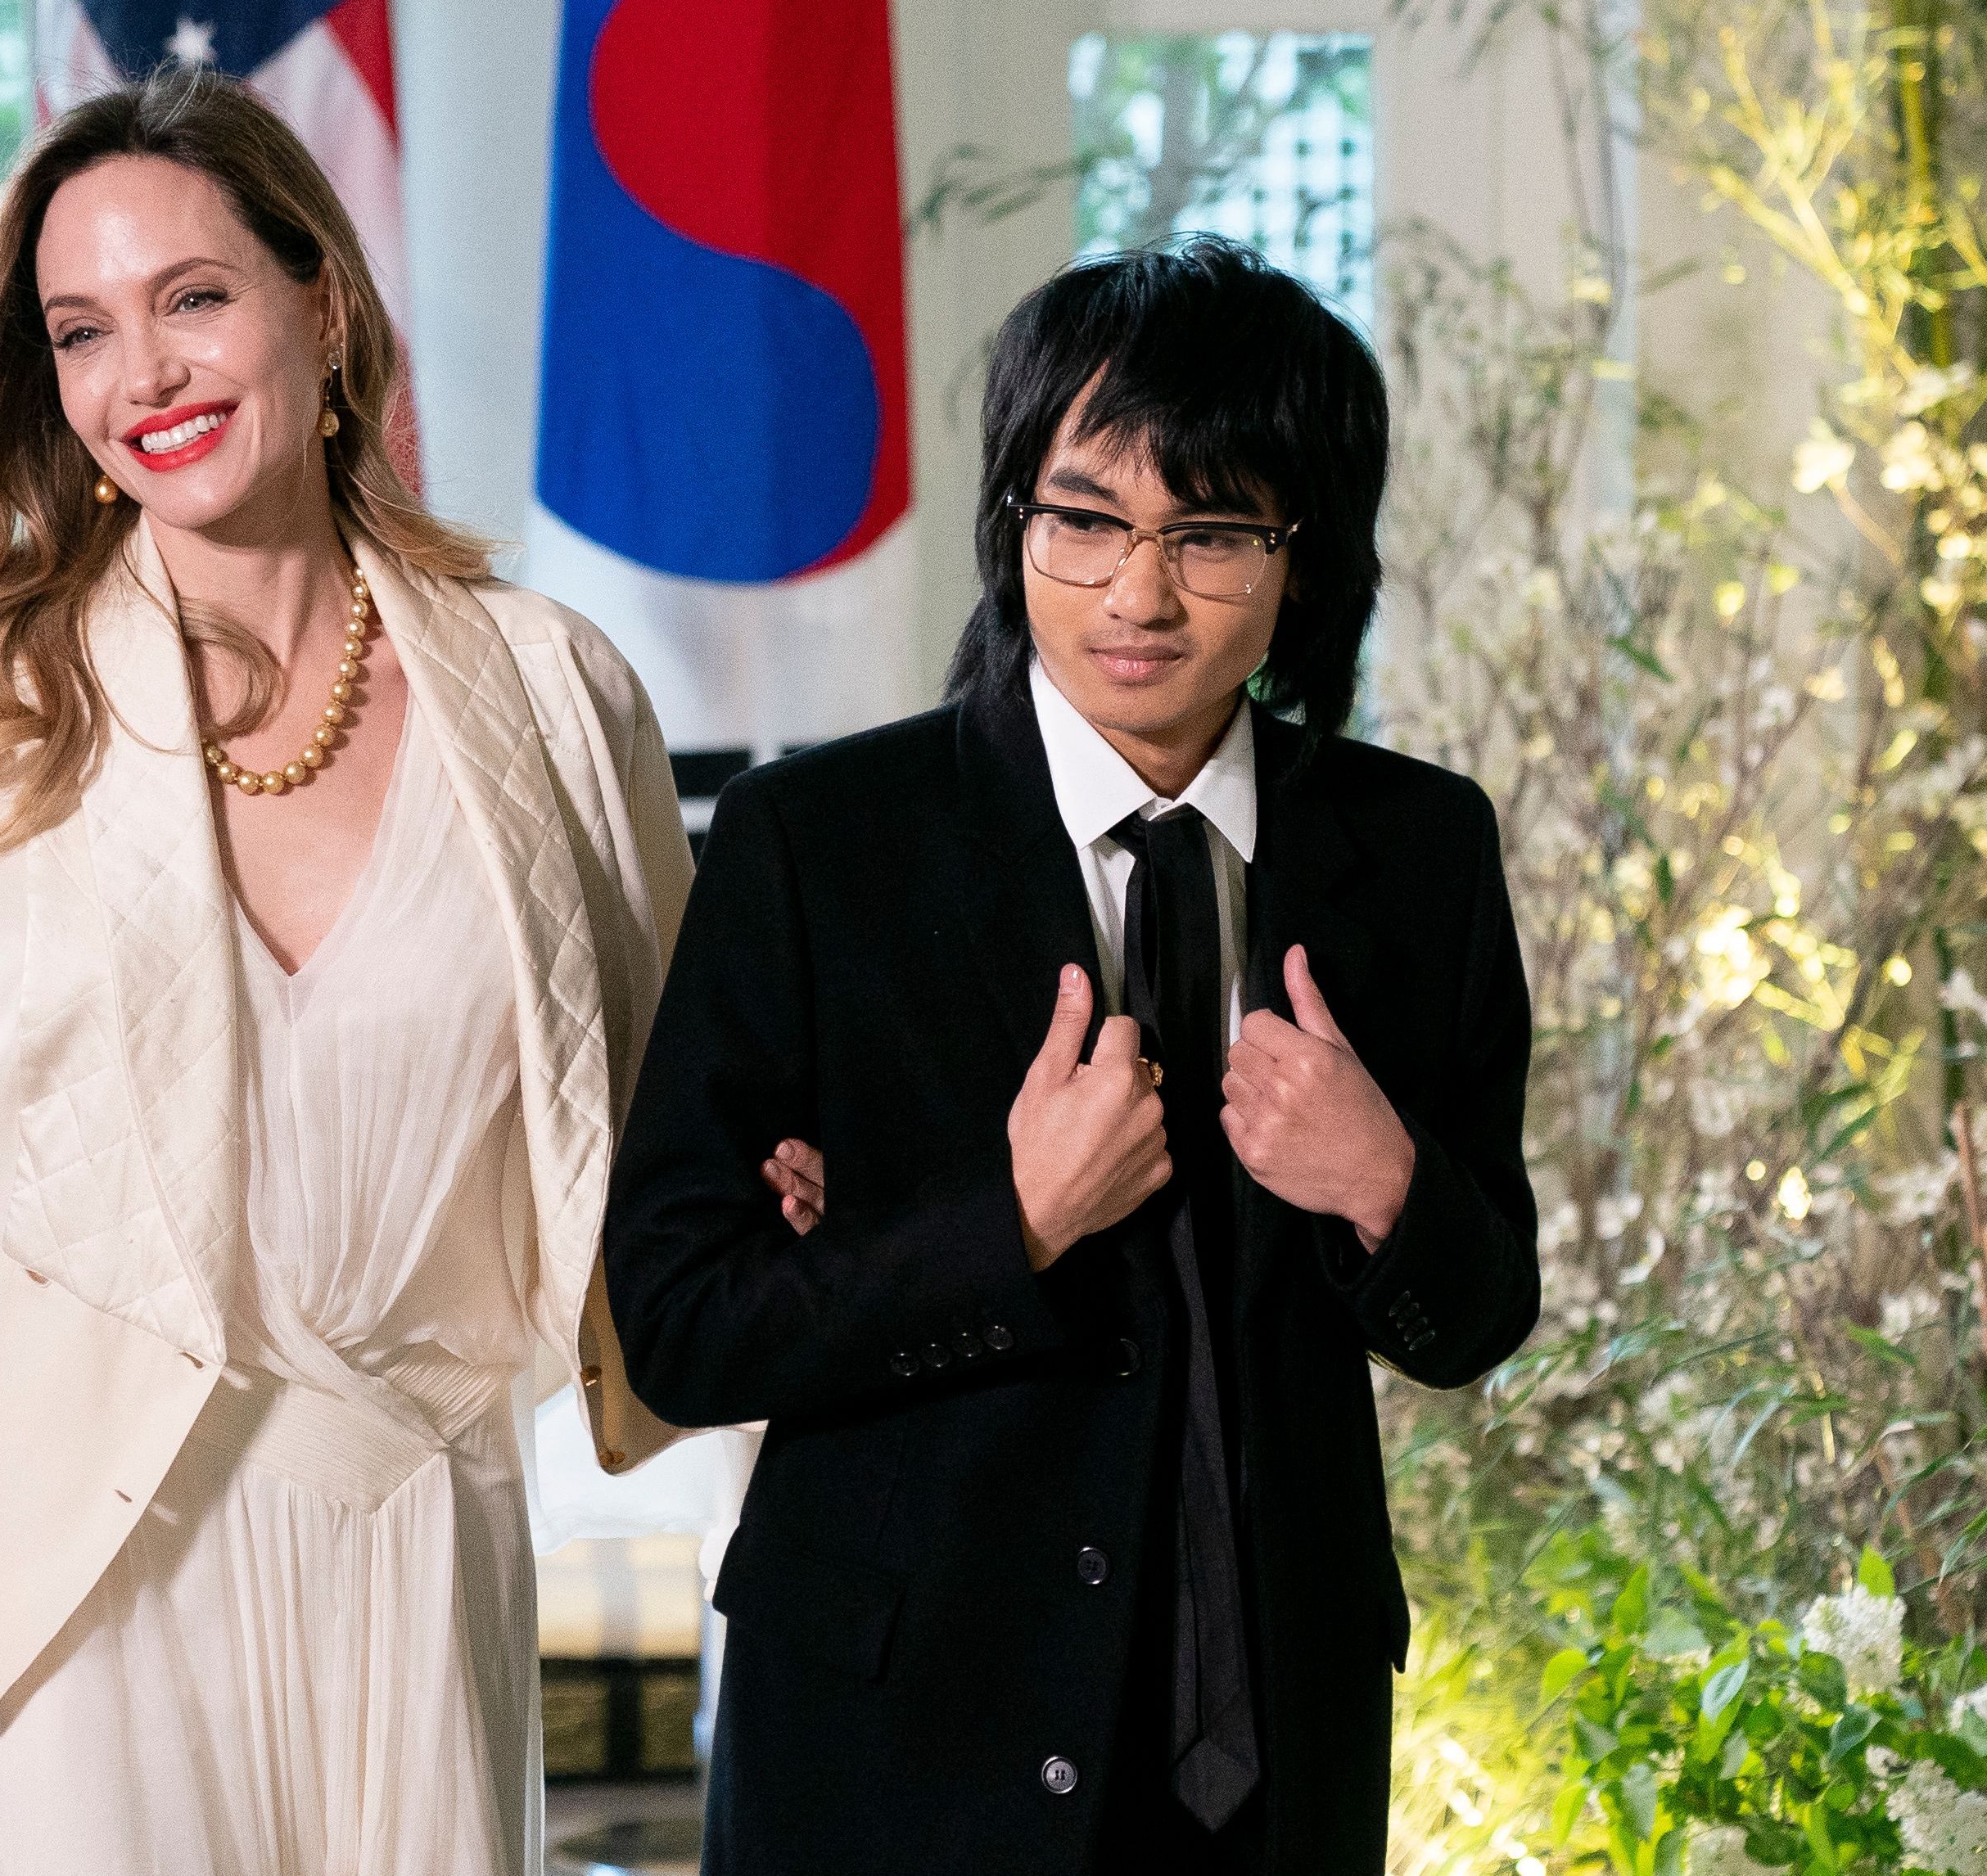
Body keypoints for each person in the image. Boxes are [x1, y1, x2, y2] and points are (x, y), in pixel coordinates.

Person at [0, 69, 693, 1876]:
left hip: (417, 1532)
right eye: (81, 330)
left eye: (194, 297)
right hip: (55, 1571)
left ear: (324, 303)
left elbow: (679, 1155)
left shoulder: (552, 696)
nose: (142, 373)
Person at [602, 235, 1542, 1874]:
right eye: (1085, 519)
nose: (1137, 592)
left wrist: (1386, 1184)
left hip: (1276, 1738)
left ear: (1303, 557)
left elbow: (1477, 1316)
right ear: (1013, 522)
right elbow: (679, 1331)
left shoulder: (1418, 849)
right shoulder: (817, 845)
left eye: (1211, 533)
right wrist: (1007, 1222)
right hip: (902, 1737)